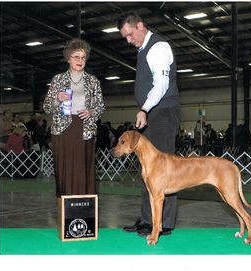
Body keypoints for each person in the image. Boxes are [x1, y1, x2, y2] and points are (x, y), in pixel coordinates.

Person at [117, 12, 180, 237]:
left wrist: (145, 108)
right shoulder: (143, 49)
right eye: (124, 37)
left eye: (130, 34)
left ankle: (164, 223)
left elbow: (161, 84)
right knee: (148, 171)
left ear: (140, 26)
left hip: (162, 113)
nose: (128, 40)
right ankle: (147, 220)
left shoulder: (158, 47)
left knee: (166, 173)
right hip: (152, 113)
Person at [43, 38, 105, 196]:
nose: (80, 60)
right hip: (63, 130)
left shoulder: (93, 81)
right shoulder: (58, 79)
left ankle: (85, 206)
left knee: (84, 169)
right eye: (76, 57)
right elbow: (47, 107)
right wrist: (57, 99)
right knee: (64, 169)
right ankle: (65, 207)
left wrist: (91, 112)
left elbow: (100, 106)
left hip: (85, 129)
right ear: (68, 58)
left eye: (83, 57)